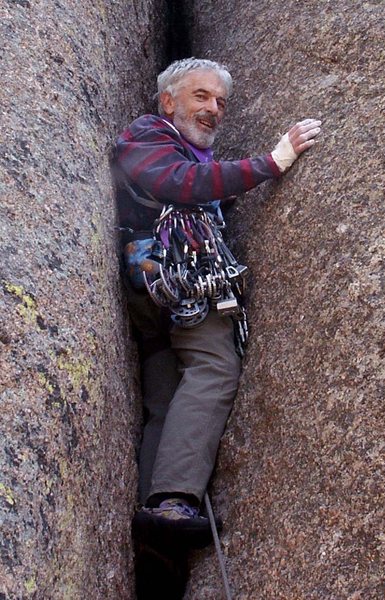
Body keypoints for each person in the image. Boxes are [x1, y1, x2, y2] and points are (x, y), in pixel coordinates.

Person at [115, 58, 321, 547]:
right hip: (178, 280)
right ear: (168, 101)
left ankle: (155, 512)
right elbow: (177, 183)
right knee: (213, 367)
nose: (213, 109)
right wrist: (272, 163)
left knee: (167, 396)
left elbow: (193, 188)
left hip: (155, 287)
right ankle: (175, 501)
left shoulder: (180, 149)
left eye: (221, 102)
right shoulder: (147, 136)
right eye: (200, 97)